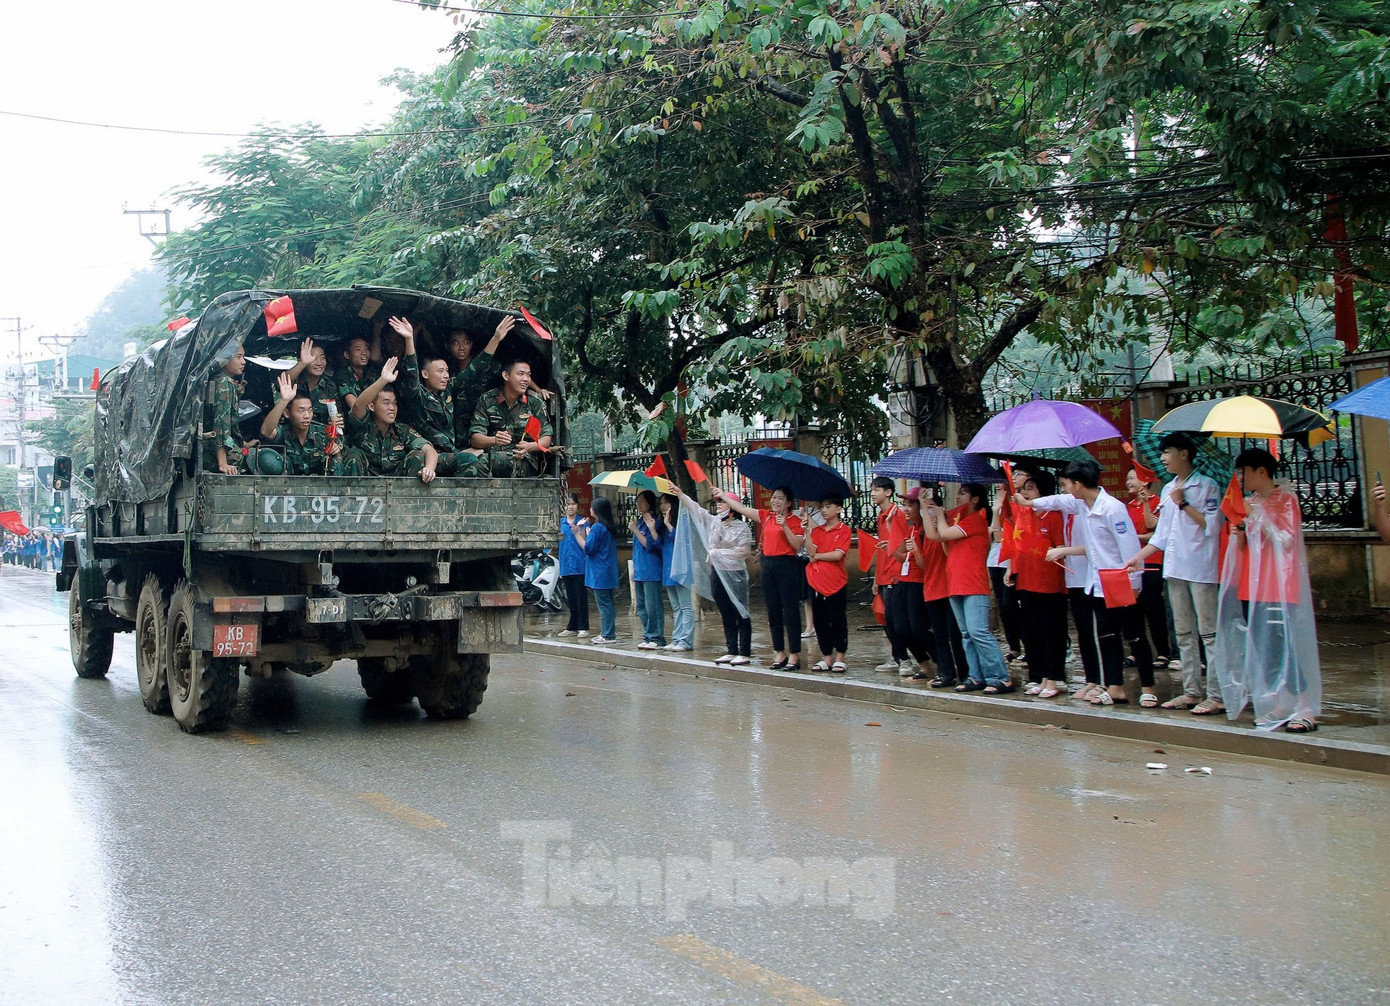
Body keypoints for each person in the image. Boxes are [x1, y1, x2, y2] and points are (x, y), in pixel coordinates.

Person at [1212, 448, 1322, 731]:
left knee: (1282, 644)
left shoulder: (1286, 499)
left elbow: (1286, 540)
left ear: (1262, 471)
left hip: (1277, 587)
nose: (1241, 478)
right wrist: (1239, 532)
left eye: (1244, 472)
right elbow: (1244, 547)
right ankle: (1281, 700)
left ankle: (1305, 705)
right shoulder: (1249, 502)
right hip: (1251, 586)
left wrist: (1256, 514)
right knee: (1263, 649)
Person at [1028, 459, 1152, 707]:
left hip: (1119, 578)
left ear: (1078, 483)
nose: (1066, 490)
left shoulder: (1112, 509)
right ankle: (1115, 687)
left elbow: (1129, 547)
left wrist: (1134, 581)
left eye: (1069, 484)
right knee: (1107, 636)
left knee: (1134, 635)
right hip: (1097, 582)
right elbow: (1056, 501)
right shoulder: (1082, 504)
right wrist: (1030, 503)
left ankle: (1148, 687)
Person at [1124, 433, 1224, 712]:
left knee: (1209, 633)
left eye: (1167, 452)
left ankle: (1216, 695)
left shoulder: (1207, 486)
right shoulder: (1169, 489)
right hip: (1175, 568)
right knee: (1183, 632)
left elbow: (1212, 526)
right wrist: (1138, 558)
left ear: (1183, 453)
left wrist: (1183, 504)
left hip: (1201, 570)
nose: (1164, 458)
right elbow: (1161, 535)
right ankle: (1191, 691)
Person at [922, 482, 1013, 693]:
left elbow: (943, 533)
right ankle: (976, 676)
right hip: (955, 583)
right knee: (966, 634)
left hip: (973, 583)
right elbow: (933, 535)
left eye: (963, 493)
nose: (958, 496)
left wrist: (939, 514)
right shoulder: (957, 517)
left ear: (975, 499)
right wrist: (926, 509)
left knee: (978, 632)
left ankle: (1000, 676)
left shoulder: (976, 519)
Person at [387, 316, 489, 475]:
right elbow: (412, 371)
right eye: (440, 372)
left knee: (482, 462)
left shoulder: (448, 389)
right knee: (467, 460)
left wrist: (496, 338)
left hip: (450, 452)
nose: (446, 376)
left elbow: (473, 371)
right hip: (428, 455)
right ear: (425, 374)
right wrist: (409, 339)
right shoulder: (416, 395)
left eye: (447, 371)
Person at [670, 483, 754, 665]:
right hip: (718, 572)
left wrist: (718, 553)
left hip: (735, 573)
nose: (718, 505)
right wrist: (681, 494)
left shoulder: (741, 528)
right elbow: (697, 511)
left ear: (733, 507)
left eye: (722, 502)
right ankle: (732, 649)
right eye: (717, 502)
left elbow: (744, 551)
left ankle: (744, 651)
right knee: (725, 610)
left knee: (740, 610)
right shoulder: (715, 522)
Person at [723, 486, 805, 670]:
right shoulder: (766, 516)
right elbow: (743, 509)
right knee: (773, 611)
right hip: (768, 566)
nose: (775, 501)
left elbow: (797, 546)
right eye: (774, 497)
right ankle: (779, 651)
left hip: (787, 566)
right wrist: (722, 496)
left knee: (790, 611)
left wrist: (784, 525)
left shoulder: (794, 521)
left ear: (789, 503)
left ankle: (794, 654)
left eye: (780, 498)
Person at [1005, 471, 1070, 699]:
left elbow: (1060, 548)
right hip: (1027, 581)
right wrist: (1011, 568)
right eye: (1024, 489)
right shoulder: (1024, 515)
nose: (1025, 493)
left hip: (1050, 583)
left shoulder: (1053, 516)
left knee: (1051, 631)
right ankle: (1037, 675)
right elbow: (1016, 544)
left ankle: (1054, 676)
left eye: (1031, 488)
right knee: (1032, 632)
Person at [908, 491, 969, 689]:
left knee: (956, 633)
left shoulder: (949, 527)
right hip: (932, 587)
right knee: (940, 634)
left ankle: (965, 672)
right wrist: (915, 550)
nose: (928, 511)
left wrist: (940, 523)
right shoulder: (924, 533)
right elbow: (924, 564)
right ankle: (946, 672)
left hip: (949, 587)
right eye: (925, 507)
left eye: (931, 507)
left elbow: (949, 552)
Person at [342, 358, 439, 481]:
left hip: (397, 487)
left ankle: (410, 500)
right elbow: (358, 405)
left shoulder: (402, 430)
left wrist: (429, 469)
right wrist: (383, 380)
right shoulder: (362, 425)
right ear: (372, 406)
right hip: (364, 487)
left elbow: (429, 450)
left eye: (394, 403)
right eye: (386, 403)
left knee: (418, 455)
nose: (392, 408)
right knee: (353, 455)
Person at [469, 360, 552, 477]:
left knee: (501, 461)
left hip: (523, 458)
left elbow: (546, 438)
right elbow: (475, 439)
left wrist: (529, 447)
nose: (526, 379)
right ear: (506, 376)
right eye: (520, 374)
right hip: (491, 457)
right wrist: (494, 440)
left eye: (528, 375)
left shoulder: (534, 401)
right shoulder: (487, 399)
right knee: (468, 462)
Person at [1125, 466, 1173, 671]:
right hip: (1133, 562)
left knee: (1154, 609)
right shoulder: (1127, 507)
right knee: (1134, 610)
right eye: (1127, 479)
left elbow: (1154, 529)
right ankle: (1137, 652)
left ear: (1144, 481)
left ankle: (1163, 652)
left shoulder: (1157, 502)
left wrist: (1145, 503)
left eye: (1132, 478)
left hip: (1152, 561)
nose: (1128, 482)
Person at [258, 373, 345, 475]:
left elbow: (337, 458)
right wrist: (284, 401)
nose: (307, 415)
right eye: (301, 411)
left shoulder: (323, 434)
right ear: (287, 413)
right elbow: (266, 431)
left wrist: (336, 451)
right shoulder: (284, 432)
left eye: (310, 410)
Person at [868, 476, 912, 673]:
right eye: (872, 489)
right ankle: (897, 657)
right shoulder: (881, 516)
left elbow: (903, 543)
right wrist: (877, 577)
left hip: (895, 572)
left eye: (877, 489)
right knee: (885, 618)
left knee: (895, 619)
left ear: (888, 492)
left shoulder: (897, 515)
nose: (873, 493)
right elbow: (881, 548)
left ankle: (905, 659)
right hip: (884, 573)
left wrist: (893, 549)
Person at [805, 493, 852, 673]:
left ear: (838, 509)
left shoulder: (843, 530)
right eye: (822, 507)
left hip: (836, 582)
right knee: (820, 620)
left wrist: (817, 557)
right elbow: (810, 551)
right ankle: (826, 656)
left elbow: (838, 554)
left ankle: (840, 655)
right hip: (817, 582)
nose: (824, 510)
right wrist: (807, 532)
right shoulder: (817, 531)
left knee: (837, 618)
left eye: (827, 506)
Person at [893, 488, 937, 680]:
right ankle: (925, 666)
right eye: (905, 505)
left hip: (918, 584)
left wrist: (916, 549)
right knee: (900, 628)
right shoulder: (912, 528)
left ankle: (941, 663)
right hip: (904, 582)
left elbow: (925, 564)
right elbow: (902, 558)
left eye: (910, 505)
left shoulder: (927, 530)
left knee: (919, 628)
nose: (906, 509)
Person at [988, 473, 1026, 667]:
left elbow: (1004, 537)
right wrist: (995, 511)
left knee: (1012, 605)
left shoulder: (1017, 504)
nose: (997, 486)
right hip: (996, 560)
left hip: (1012, 561)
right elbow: (995, 537)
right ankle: (1014, 647)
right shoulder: (997, 504)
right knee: (1004, 607)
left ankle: (1026, 646)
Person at [573, 496, 620, 643]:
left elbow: (588, 548)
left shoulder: (598, 527)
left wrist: (576, 533)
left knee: (604, 603)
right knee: (608, 602)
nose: (590, 509)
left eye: (592, 507)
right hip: (607, 569)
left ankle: (607, 634)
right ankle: (608, 632)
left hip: (600, 571)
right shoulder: (607, 527)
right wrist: (586, 533)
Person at [201, 344, 248, 474]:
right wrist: (223, 464)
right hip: (212, 454)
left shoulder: (217, 379)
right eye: (238, 357)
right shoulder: (224, 383)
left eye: (243, 357)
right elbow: (220, 426)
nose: (243, 361)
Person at [630, 489, 668, 649]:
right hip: (640, 569)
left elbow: (651, 546)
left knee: (653, 606)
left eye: (642, 501)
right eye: (637, 501)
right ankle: (647, 634)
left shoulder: (654, 522)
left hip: (651, 569)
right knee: (641, 606)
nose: (639, 504)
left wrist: (636, 531)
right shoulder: (639, 521)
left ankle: (657, 637)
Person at [659, 493, 695, 651]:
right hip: (668, 569)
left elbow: (683, 540)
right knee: (676, 606)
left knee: (686, 606)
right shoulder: (663, 524)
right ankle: (677, 638)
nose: (662, 506)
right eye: (661, 503)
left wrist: (668, 524)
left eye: (666, 502)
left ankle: (686, 640)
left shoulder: (682, 520)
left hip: (681, 569)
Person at [282, 338, 340, 425]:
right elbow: (281, 383)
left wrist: (336, 422)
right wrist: (302, 363)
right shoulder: (294, 381)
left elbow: (335, 415)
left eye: (322, 357)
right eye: (313, 358)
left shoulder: (330, 386)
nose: (319, 363)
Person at [556, 492, 590, 638]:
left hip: (580, 564)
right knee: (570, 597)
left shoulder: (583, 522)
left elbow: (587, 541)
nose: (570, 507)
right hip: (566, 565)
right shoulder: (559, 524)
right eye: (568, 504)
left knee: (581, 596)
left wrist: (580, 530)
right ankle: (572, 625)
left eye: (573, 504)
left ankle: (584, 626)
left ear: (577, 505)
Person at [335, 335, 381, 413]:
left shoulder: (371, 372)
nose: (364, 353)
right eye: (358, 349)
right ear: (347, 355)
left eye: (366, 348)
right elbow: (355, 407)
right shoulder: (342, 375)